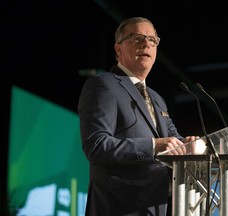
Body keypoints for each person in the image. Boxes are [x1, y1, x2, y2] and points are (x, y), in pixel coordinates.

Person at [78, 16, 199, 216]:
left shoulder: (157, 98)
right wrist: (154, 146)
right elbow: (97, 146)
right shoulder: (103, 85)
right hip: (119, 207)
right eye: (137, 38)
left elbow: (172, 139)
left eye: (152, 40)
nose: (146, 44)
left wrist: (188, 144)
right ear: (118, 49)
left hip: (158, 206)